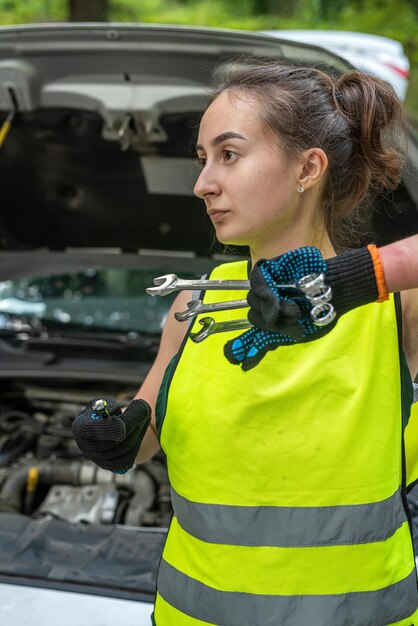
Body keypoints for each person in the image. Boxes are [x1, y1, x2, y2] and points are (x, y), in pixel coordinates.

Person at [72, 59, 418, 625]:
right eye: (203, 159)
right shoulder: (194, 306)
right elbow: (149, 433)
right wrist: (118, 437)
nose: (203, 183)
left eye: (228, 155)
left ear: (308, 168)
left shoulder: (392, 309)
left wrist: (355, 280)